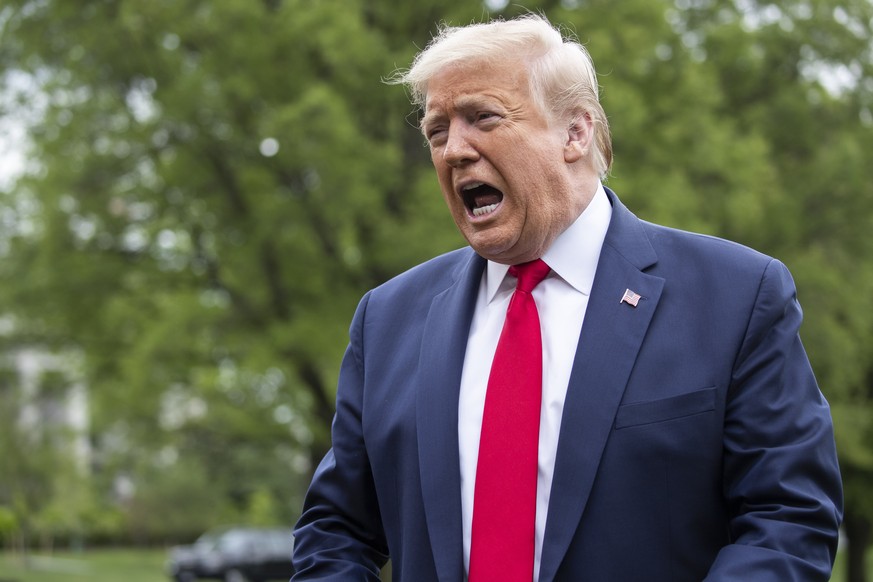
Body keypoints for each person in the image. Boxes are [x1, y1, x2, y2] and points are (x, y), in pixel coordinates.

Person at [291, 14, 842, 582]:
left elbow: (788, 520)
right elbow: (337, 532)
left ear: (575, 133)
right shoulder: (387, 320)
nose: (454, 149)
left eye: (483, 117)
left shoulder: (736, 296)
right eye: (437, 131)